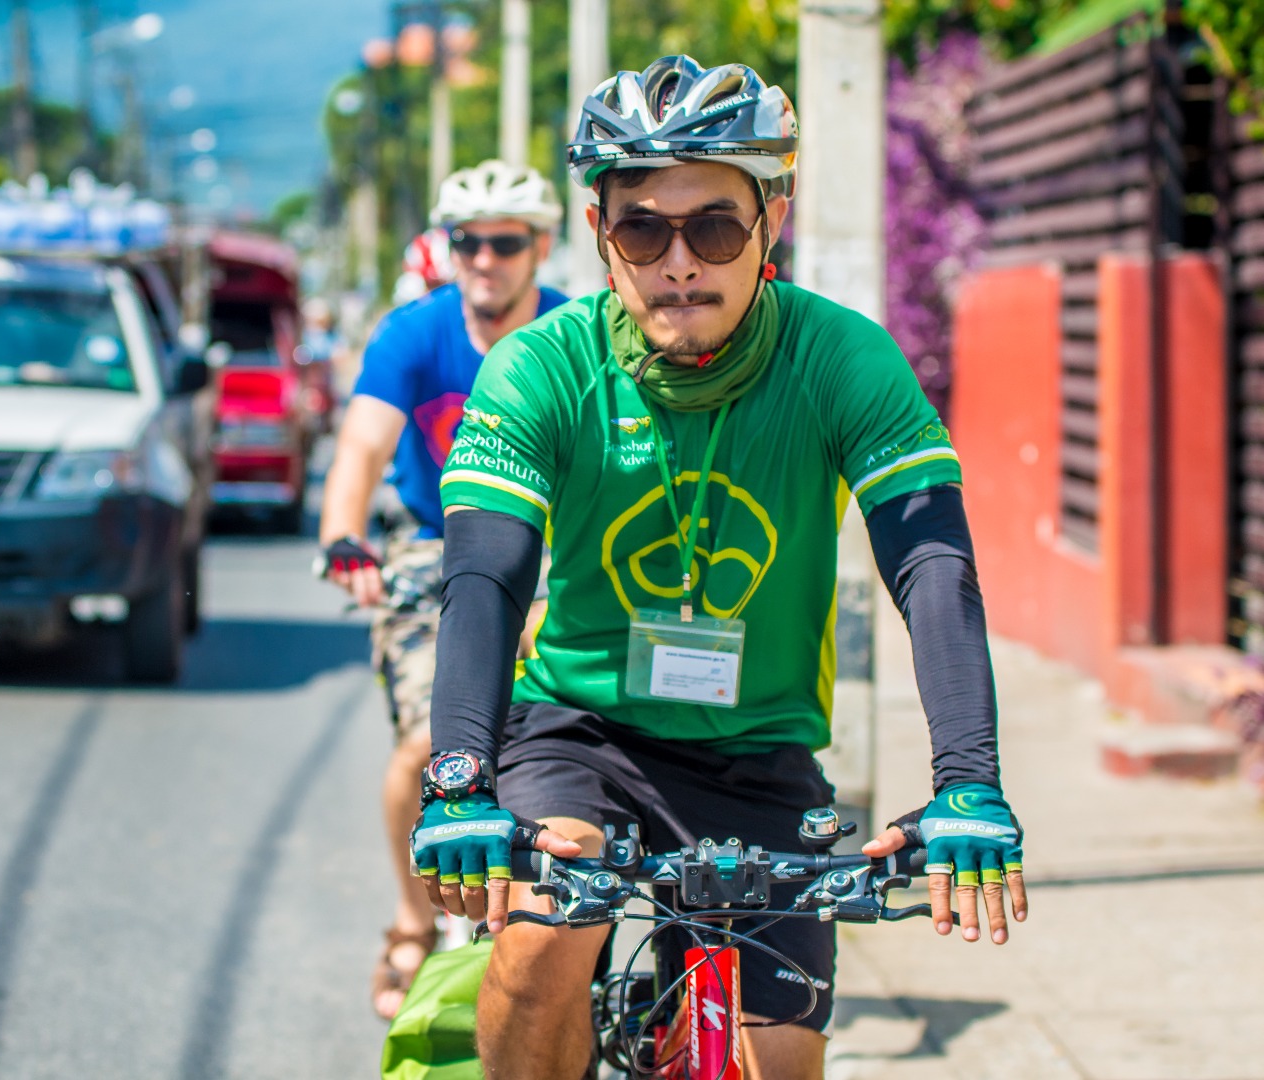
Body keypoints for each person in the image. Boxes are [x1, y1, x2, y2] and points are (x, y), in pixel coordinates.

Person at [409, 57, 1027, 1079]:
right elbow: (484, 580)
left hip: (761, 750)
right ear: (601, 233)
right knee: (540, 938)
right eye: (643, 227)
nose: (679, 262)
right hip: (582, 731)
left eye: (714, 227)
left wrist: (968, 784)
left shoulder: (843, 360)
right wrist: (460, 783)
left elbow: (930, 566)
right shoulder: (540, 366)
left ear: (767, 224)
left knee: (781, 1065)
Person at [317, 160, 569, 1020]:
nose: (485, 260)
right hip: (437, 549)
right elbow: (359, 448)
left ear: (542, 246)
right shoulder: (414, 334)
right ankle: (412, 915)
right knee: (429, 742)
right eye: (468, 242)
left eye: (506, 242)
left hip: (562, 550)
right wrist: (345, 536)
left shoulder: (578, 332)